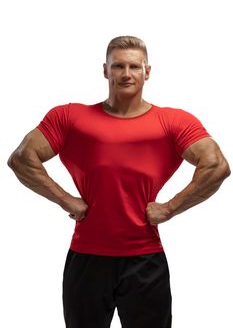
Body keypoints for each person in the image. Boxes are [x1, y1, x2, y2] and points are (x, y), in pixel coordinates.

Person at [8, 35, 230, 328]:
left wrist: (170, 208)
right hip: (87, 258)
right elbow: (22, 158)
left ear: (147, 72)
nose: (127, 74)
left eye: (135, 67)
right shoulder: (71, 117)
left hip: (145, 259)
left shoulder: (173, 122)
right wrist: (65, 199)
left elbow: (216, 165)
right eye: (118, 66)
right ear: (105, 70)